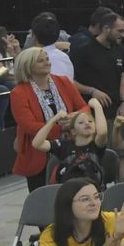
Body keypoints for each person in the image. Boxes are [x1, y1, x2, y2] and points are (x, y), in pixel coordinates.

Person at [9, 46, 89, 190]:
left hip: (70, 147)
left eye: (47, 59)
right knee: (43, 199)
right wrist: (63, 127)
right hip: (39, 153)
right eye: (41, 61)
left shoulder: (63, 82)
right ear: (28, 66)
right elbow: (29, 126)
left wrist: (74, 118)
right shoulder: (19, 93)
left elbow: (84, 107)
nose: (47, 62)